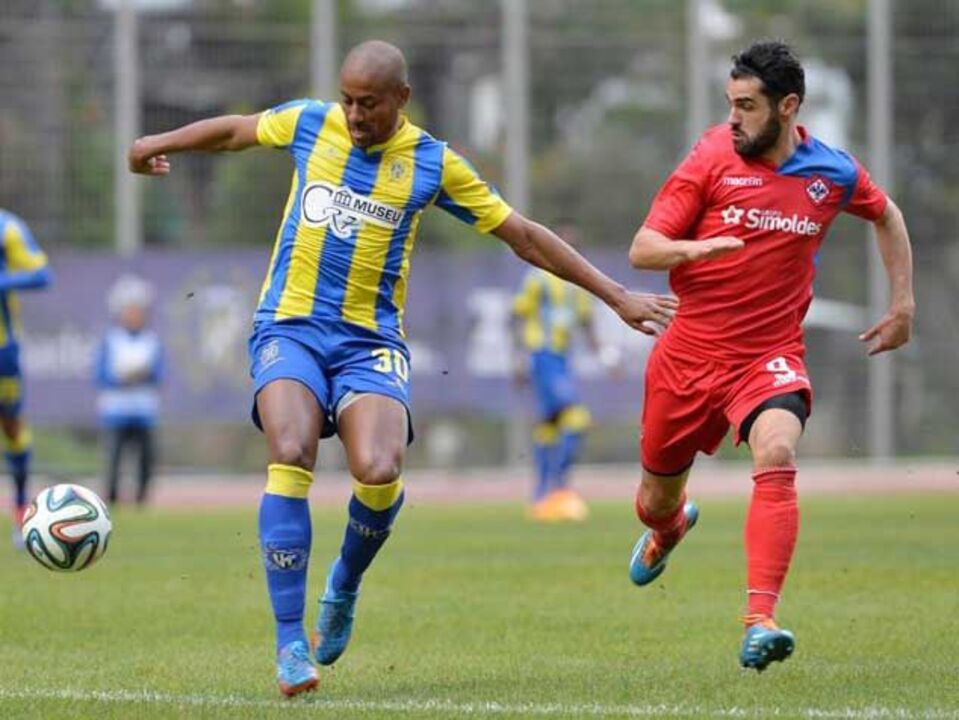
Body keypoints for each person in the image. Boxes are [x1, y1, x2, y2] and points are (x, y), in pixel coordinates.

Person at [129, 40, 677, 696]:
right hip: (289, 328)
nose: (355, 115)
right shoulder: (310, 123)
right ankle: (290, 644)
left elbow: (524, 235)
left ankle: (343, 585)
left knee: (379, 469)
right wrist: (152, 143)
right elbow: (234, 131)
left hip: (369, 343)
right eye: (348, 101)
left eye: (369, 103)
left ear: (401, 99)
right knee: (291, 449)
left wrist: (615, 295)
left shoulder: (433, 163)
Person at [626, 40, 915, 672]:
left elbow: (886, 214)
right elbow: (643, 249)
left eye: (747, 106)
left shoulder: (832, 172)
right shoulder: (710, 157)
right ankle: (669, 528)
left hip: (768, 356)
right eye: (730, 104)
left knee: (778, 451)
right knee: (654, 500)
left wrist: (902, 304)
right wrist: (694, 250)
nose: (733, 118)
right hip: (687, 358)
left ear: (788, 107)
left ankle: (761, 621)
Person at [511, 223, 622, 522]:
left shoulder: (577, 287)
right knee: (576, 418)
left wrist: (606, 358)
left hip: (561, 360)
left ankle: (541, 496)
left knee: (549, 425)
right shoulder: (537, 279)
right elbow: (518, 316)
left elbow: (587, 325)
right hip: (541, 356)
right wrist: (518, 357)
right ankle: (559, 489)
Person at [0, 209, 52, 548]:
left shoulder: (7, 228)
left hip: (2, 348)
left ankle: (21, 510)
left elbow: (41, 274)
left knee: (11, 426)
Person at [94, 275, 164, 507]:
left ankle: (141, 499)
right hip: (116, 410)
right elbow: (100, 375)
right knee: (114, 458)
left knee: (146, 458)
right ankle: (112, 499)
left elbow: (160, 374)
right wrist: (120, 378)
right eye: (129, 311)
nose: (134, 316)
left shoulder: (152, 340)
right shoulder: (111, 339)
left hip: (144, 410)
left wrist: (145, 375)